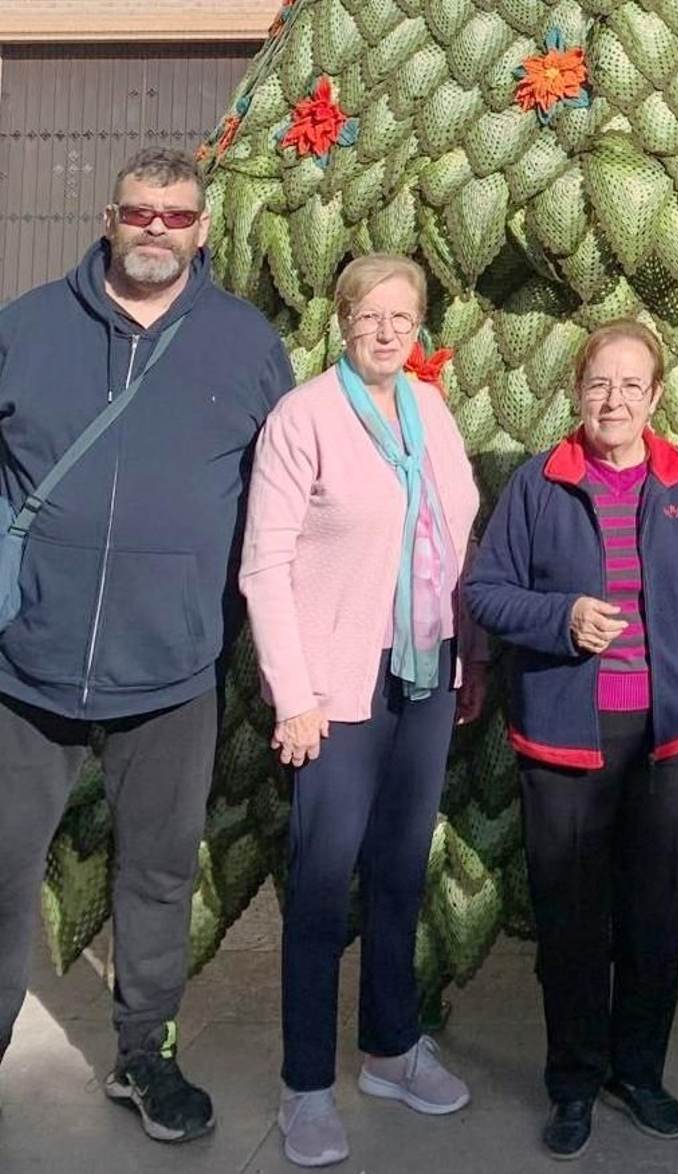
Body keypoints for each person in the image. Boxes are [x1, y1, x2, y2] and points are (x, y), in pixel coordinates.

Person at [0, 147, 293, 1142]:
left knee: (160, 875)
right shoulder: (28, 329)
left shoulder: (246, 345)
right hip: (26, 663)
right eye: (140, 213)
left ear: (203, 229)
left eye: (177, 215)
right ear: (109, 219)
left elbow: (282, 506)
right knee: (2, 866)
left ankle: (143, 1055)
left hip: (172, 670)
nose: (157, 229)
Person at [465, 319, 678, 1160]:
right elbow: (486, 591)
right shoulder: (538, 484)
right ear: (577, 391)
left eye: (632, 385)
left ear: (657, 396)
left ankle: (640, 1070)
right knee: (572, 919)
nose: (615, 400)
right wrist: (560, 617)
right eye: (600, 383)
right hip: (567, 736)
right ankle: (573, 1081)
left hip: (664, 736)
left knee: (655, 913)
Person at [240, 254, 484, 1166]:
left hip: (421, 678)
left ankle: (390, 1047)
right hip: (335, 693)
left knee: (398, 875)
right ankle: (306, 1084)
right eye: (370, 315)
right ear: (342, 320)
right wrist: (293, 696)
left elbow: (460, 536)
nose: (388, 331)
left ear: (421, 325)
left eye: (404, 316)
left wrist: (472, 657)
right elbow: (263, 565)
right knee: (318, 887)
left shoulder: (429, 410)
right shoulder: (303, 418)